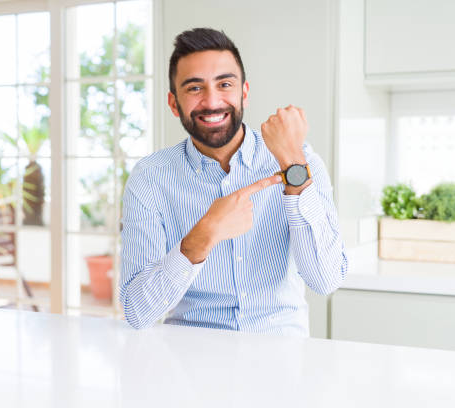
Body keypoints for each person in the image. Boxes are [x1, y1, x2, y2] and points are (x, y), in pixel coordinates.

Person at [120, 27, 347, 336]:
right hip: (190, 356)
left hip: (282, 354)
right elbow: (137, 312)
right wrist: (203, 235)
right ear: (174, 104)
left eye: (224, 84)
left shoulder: (300, 160)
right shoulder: (150, 178)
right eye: (195, 88)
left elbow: (326, 279)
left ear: (244, 93)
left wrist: (293, 167)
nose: (212, 101)